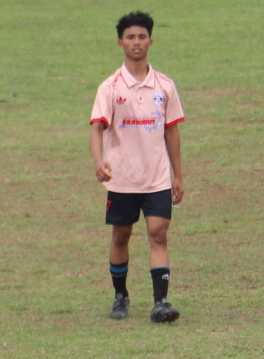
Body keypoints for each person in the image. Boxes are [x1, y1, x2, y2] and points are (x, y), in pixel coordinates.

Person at [89, 11, 186, 323]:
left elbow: (171, 129)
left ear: (150, 41)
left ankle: (161, 301)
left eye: (142, 37)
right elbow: (96, 127)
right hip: (122, 178)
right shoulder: (110, 87)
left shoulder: (165, 86)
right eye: (130, 37)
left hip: (157, 177)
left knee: (158, 233)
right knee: (121, 235)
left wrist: (178, 174)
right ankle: (121, 296)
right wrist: (98, 161)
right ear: (121, 43)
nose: (136, 43)